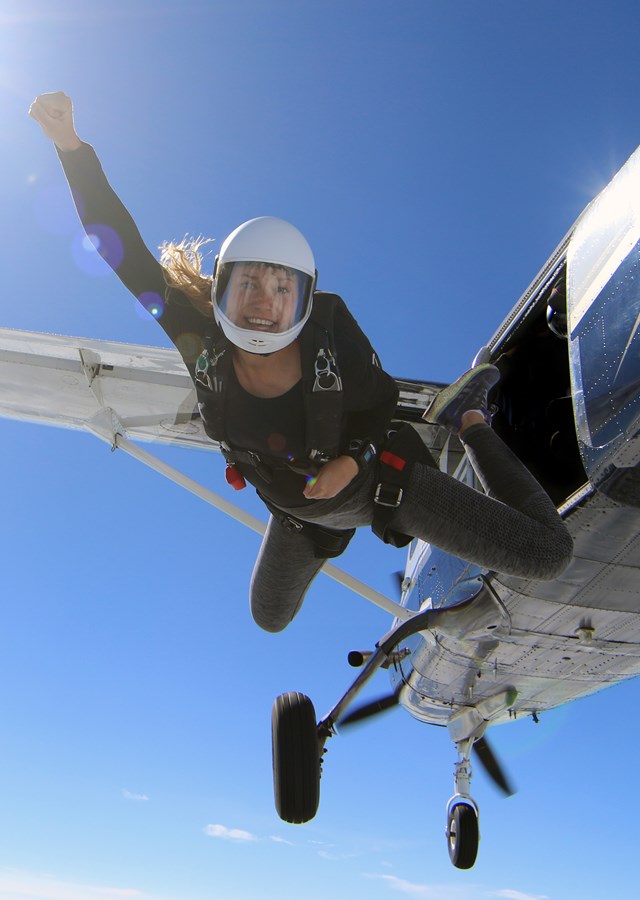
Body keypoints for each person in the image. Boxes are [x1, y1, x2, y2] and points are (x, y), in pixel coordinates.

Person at [29, 92, 573, 633]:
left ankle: (469, 417)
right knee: (268, 618)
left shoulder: (332, 341)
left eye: (281, 288)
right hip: (299, 513)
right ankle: (326, 534)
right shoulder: (199, 340)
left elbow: (382, 405)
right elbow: (118, 245)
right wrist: (70, 147)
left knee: (547, 554)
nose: (264, 300)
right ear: (221, 292)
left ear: (305, 300)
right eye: (249, 284)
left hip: (384, 486)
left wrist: (354, 460)